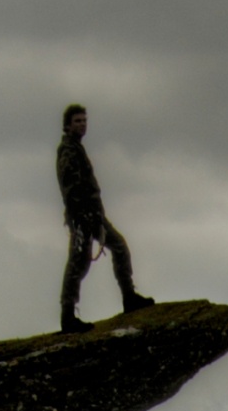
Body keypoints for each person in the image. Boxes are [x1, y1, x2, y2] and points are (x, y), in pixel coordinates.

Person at [55, 104, 154, 333]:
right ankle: (67, 316)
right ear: (68, 125)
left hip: (94, 216)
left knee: (118, 247)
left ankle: (129, 297)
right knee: (78, 264)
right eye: (77, 121)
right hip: (84, 217)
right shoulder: (68, 151)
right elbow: (71, 188)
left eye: (84, 120)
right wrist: (82, 216)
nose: (82, 124)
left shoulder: (76, 148)